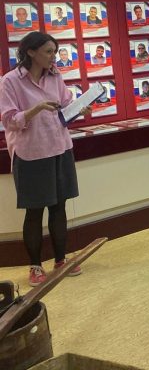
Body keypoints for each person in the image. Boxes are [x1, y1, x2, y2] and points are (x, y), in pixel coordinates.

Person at [0, 32, 90, 286]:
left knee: (59, 207)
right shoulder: (10, 81)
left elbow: (65, 107)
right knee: (34, 212)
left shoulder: (55, 76)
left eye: (55, 52)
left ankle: (60, 260)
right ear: (31, 52)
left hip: (60, 149)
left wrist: (79, 109)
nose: (54, 57)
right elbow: (9, 120)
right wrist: (36, 108)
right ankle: (35, 266)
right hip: (31, 154)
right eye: (49, 52)